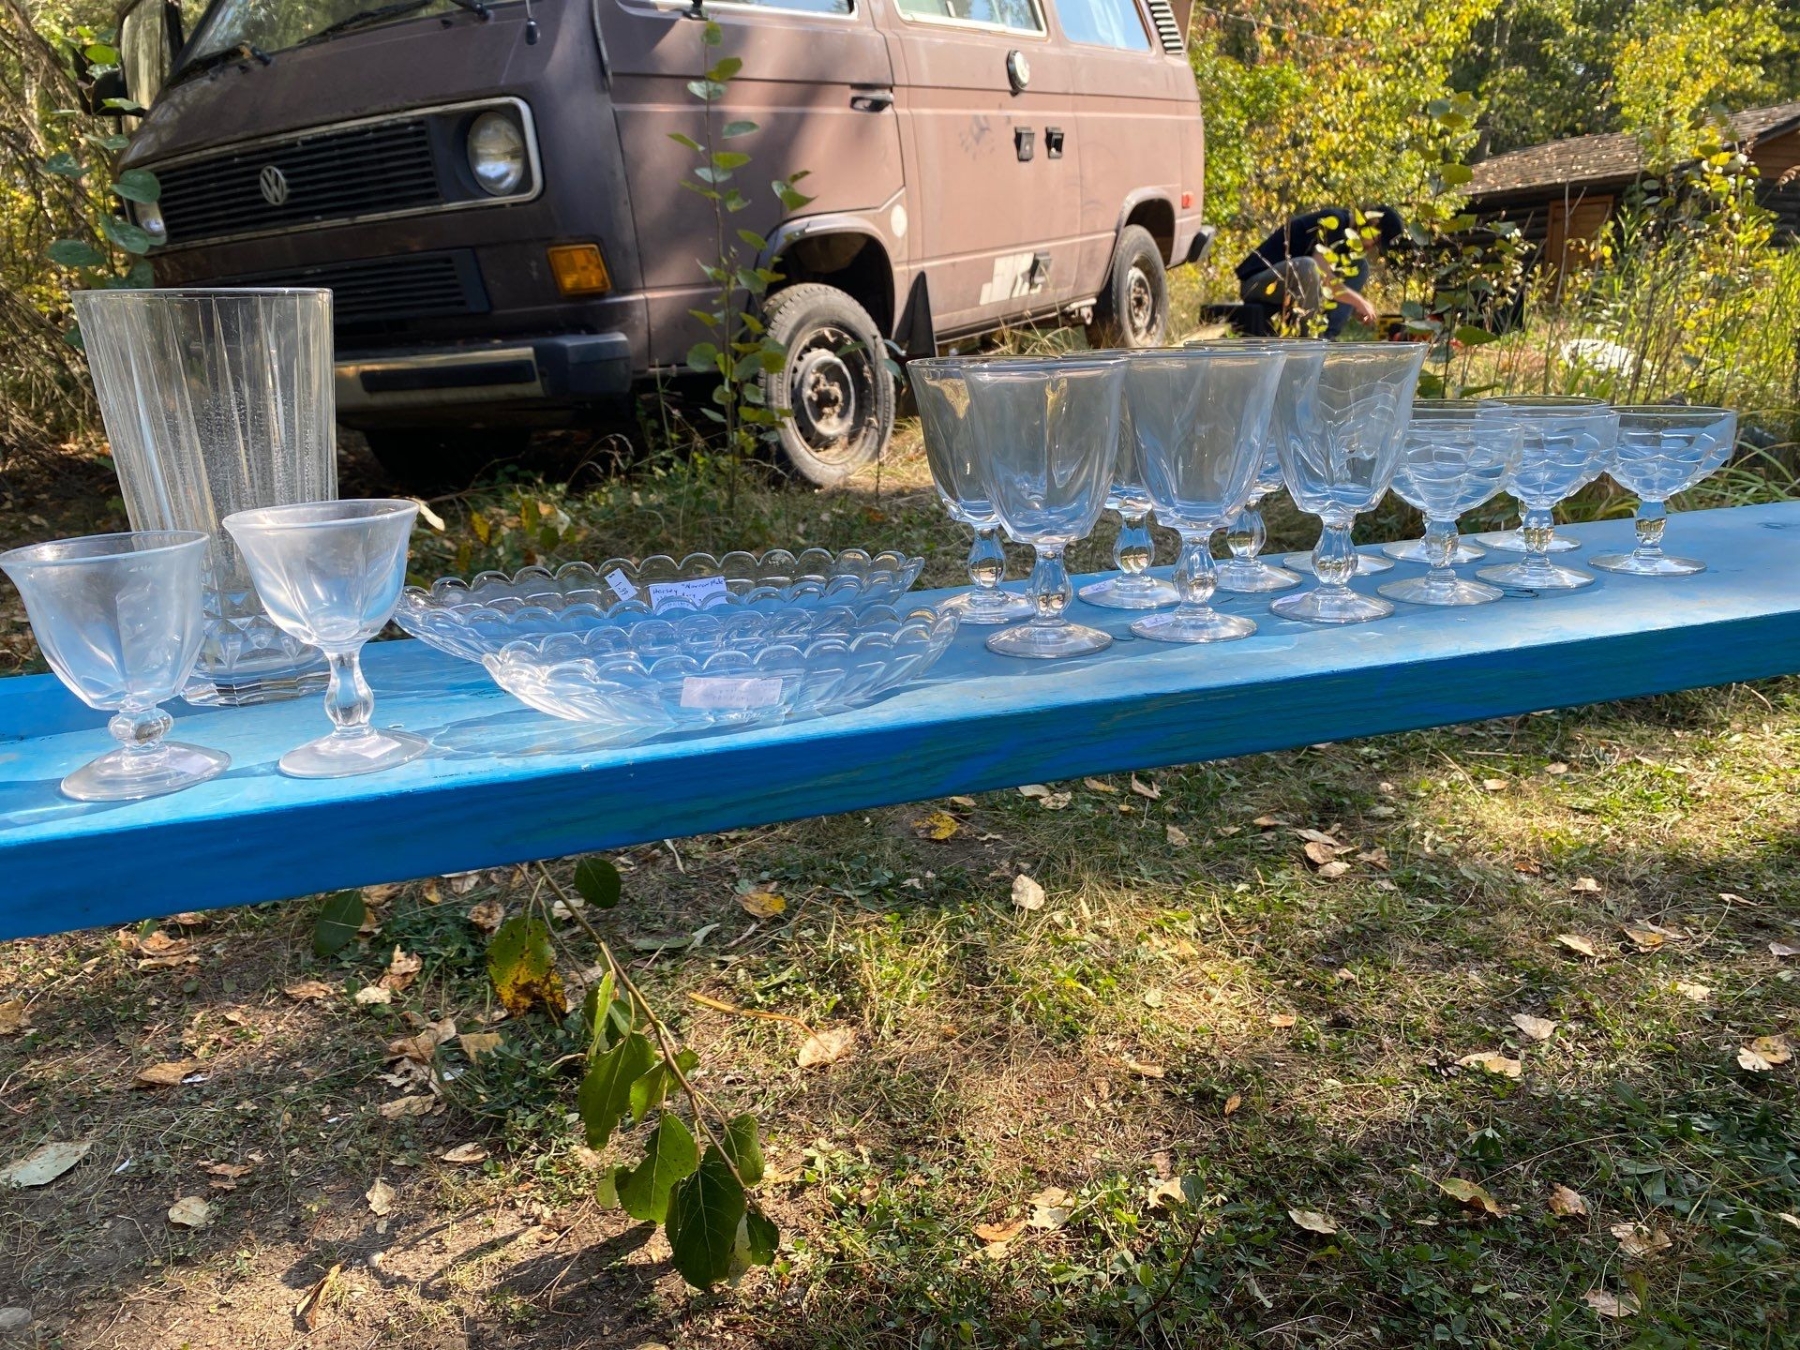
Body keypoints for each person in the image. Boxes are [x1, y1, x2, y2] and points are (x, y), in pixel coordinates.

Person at [1235, 206, 1406, 336]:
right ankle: (1308, 340)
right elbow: (1324, 277)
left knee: (1360, 266)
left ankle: (1326, 337)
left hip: (1288, 287)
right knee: (1309, 267)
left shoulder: (1346, 241)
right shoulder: (1335, 221)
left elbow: (1322, 289)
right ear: (1372, 223)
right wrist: (1358, 301)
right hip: (1257, 283)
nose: (1371, 248)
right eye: (1375, 241)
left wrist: (1353, 308)